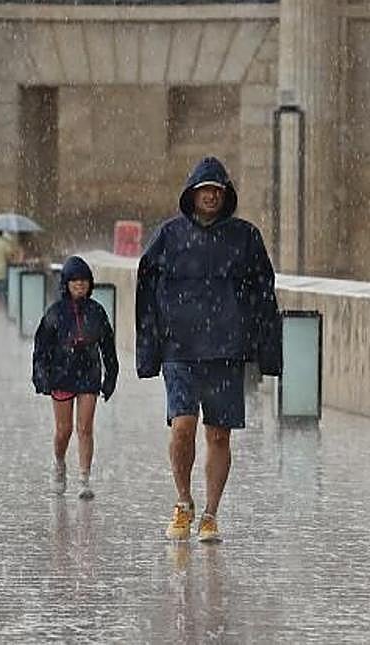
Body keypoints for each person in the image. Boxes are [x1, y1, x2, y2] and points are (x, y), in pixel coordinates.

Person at [136, 156, 281, 543]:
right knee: (182, 427)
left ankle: (211, 514)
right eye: (205, 191)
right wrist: (149, 348)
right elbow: (145, 292)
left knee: (219, 436)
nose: (211, 197)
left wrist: (266, 349)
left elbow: (264, 293)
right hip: (180, 349)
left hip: (226, 350)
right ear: (192, 195)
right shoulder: (168, 237)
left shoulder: (245, 238)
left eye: (216, 191)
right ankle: (183, 502)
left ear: (225, 194)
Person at [32, 256, 120, 500]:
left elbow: (108, 346)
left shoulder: (97, 311)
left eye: (84, 281)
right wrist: (41, 374)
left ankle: (84, 478)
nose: (79, 285)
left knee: (85, 428)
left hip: (89, 373)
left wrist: (111, 375)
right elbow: (41, 346)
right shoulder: (55, 312)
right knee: (64, 430)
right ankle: (59, 463)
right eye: (74, 281)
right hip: (61, 374)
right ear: (66, 284)